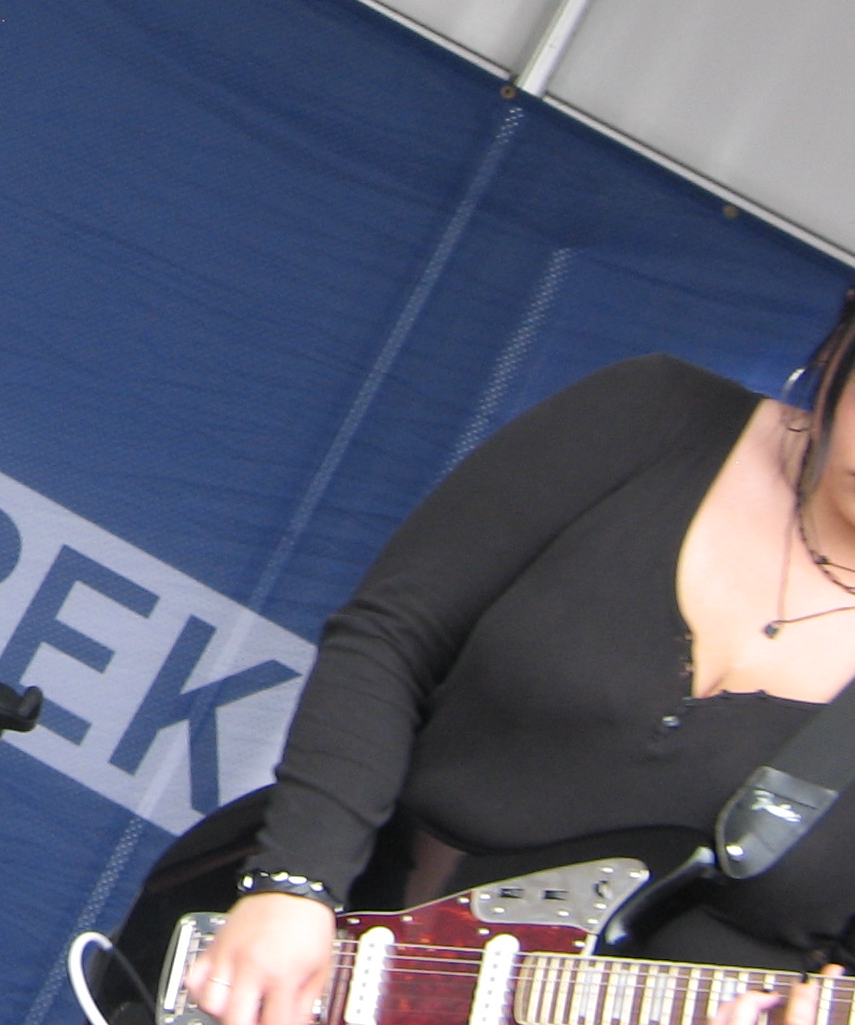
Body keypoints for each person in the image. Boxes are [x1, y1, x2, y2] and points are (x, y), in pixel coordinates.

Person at [170, 303, 855, 1025]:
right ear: (837, 348)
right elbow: (392, 634)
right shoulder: (655, 412)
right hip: (321, 961)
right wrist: (295, 883)